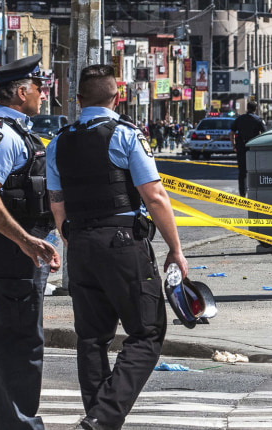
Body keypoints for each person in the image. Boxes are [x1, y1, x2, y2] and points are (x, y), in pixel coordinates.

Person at [46, 64, 188, 430]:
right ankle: (102, 420)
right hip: (123, 244)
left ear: (78, 100)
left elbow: (57, 200)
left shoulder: (58, 141)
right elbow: (154, 195)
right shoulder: (127, 135)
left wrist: (71, 239)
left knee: (92, 338)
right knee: (147, 332)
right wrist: (176, 248)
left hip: (80, 245)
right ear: (117, 96)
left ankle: (97, 418)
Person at [0, 54, 60, 430]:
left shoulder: (19, 131)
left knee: (8, 336)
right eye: (39, 87)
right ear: (21, 91)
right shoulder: (1, 135)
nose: (43, 94)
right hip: (14, 248)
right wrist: (24, 240)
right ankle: (20, 424)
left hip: (20, 246)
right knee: (23, 341)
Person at [231, 101, 268, 196]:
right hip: (254, 148)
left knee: (242, 172)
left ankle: (242, 194)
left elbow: (231, 133)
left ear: (247, 108)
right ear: (256, 108)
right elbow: (265, 134)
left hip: (241, 147)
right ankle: (255, 192)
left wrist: (234, 144)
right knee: (255, 170)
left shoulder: (240, 119)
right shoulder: (258, 120)